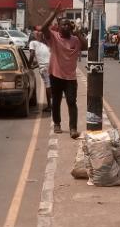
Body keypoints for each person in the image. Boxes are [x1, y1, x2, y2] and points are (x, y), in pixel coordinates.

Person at [40, 8, 82, 138]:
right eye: (63, 24)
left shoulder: (75, 40)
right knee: (56, 101)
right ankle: (57, 123)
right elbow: (43, 28)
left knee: (71, 102)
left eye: (68, 24)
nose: (66, 26)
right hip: (56, 75)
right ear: (58, 27)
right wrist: (54, 14)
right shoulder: (54, 37)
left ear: (71, 26)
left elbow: (85, 46)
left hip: (70, 78)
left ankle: (73, 128)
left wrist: (79, 33)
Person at [28, 29, 52, 113]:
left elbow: (31, 55)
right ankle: (52, 104)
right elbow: (42, 60)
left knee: (48, 85)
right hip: (51, 65)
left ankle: (50, 106)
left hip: (45, 67)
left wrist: (28, 65)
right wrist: (34, 66)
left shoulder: (32, 43)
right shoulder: (44, 44)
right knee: (51, 85)